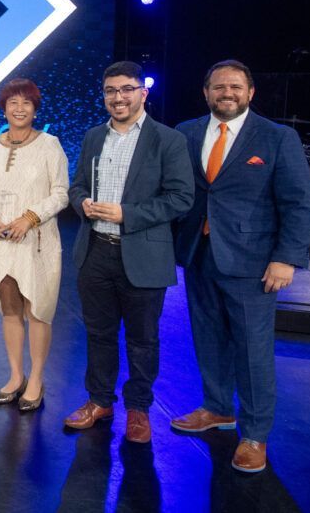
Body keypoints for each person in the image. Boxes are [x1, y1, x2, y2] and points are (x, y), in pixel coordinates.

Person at [171, 60, 310, 472]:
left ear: (250, 93)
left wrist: (285, 258)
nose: (226, 93)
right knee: (209, 339)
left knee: (253, 352)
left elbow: (297, 203)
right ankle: (216, 408)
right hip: (199, 254)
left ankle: (254, 435)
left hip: (253, 264)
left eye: (235, 86)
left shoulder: (277, 137)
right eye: (218, 87)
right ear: (206, 92)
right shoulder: (187, 132)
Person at [64, 61, 193, 443]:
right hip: (95, 251)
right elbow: (76, 187)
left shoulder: (168, 140)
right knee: (98, 333)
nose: (117, 97)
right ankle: (99, 400)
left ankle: (138, 409)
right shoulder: (92, 137)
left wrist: (127, 214)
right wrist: (82, 202)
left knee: (142, 339)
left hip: (142, 254)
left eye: (126, 89)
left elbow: (182, 198)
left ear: (142, 93)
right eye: (110, 91)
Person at [0, 78, 68, 411]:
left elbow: (61, 193)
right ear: (4, 107)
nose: (20, 108)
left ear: (35, 108)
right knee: (10, 310)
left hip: (35, 242)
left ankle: (36, 378)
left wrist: (30, 217)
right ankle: (15, 376)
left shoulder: (49, 144)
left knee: (37, 310)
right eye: (13, 102)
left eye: (27, 102)